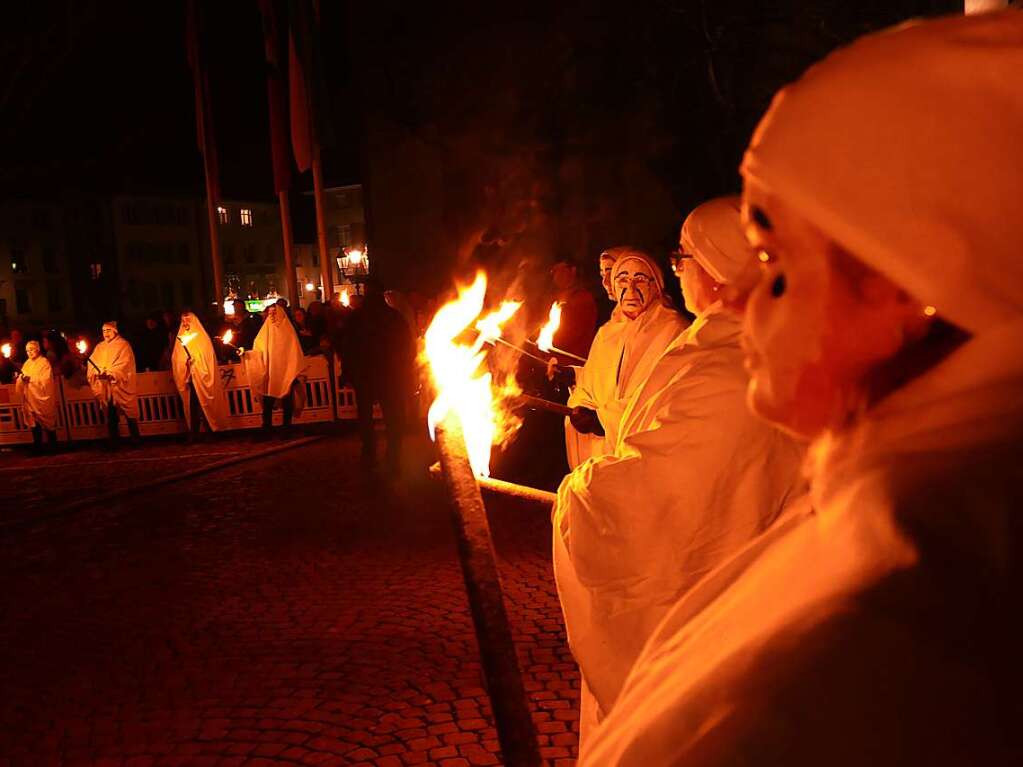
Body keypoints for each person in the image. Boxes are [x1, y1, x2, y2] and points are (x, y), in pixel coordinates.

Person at [584, 12, 1023, 765]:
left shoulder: (895, 646)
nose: (745, 302)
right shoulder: (877, 510)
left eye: (778, 266)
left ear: (902, 287)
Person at [555, 202, 804, 747]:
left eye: (681, 258)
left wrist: (583, 496)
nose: (676, 270)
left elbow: (667, 497)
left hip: (720, 630)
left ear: (716, 270)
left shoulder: (732, 363)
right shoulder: (719, 345)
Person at [561, 247, 687, 468]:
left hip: (643, 457)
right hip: (600, 452)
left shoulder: (673, 330)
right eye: (622, 280)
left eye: (640, 280)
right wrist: (579, 402)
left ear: (655, 285)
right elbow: (592, 386)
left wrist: (605, 419)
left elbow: (664, 396)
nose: (630, 289)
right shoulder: (607, 332)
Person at [341, 280, 415, 475]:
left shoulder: (356, 318)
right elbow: (408, 347)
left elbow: (346, 348)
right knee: (393, 418)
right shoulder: (393, 317)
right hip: (390, 375)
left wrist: (349, 371)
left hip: (367, 374)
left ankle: (369, 453)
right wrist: (405, 370)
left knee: (366, 416)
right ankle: (392, 455)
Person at [244, 303, 305, 437]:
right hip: (270, 374)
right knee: (268, 403)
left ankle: (287, 427)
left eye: (274, 313)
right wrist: (246, 354)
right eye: (269, 313)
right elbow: (257, 351)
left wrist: (291, 369)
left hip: (285, 373)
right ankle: (267, 428)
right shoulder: (264, 332)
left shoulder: (287, 331)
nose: (272, 316)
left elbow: (293, 351)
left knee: (287, 401)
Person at [171, 310, 226, 439]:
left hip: (201, 377)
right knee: (192, 406)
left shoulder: (201, 337)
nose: (185, 323)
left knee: (205, 404)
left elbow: (205, 356)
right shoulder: (181, 338)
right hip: (189, 379)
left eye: (187, 320)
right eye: (183, 321)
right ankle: (194, 432)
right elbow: (177, 358)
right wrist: (184, 363)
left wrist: (196, 361)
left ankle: (211, 431)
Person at [87, 321, 140, 446]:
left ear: (115, 331)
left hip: (120, 385)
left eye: (108, 330)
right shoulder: (100, 347)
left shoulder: (123, 345)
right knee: (111, 414)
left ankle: (135, 439)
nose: (106, 333)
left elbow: (125, 363)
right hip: (106, 387)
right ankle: (114, 440)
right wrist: (97, 372)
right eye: (104, 331)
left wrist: (112, 373)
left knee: (129, 413)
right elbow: (92, 363)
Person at [551, 258, 599, 359]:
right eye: (553, 271)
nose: (556, 276)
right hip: (557, 360)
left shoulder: (582, 299)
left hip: (573, 363)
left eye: (560, 270)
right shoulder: (558, 299)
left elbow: (566, 336)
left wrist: (545, 342)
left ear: (573, 270)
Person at [17, 340, 59, 451]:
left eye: (31, 349)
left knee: (48, 424)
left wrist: (31, 380)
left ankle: (53, 446)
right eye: (27, 351)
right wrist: (21, 379)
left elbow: (46, 380)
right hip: (30, 399)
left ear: (37, 349)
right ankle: (38, 446)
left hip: (41, 398)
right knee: (34, 425)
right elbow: (21, 377)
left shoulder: (44, 362)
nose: (29, 352)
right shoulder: (27, 363)